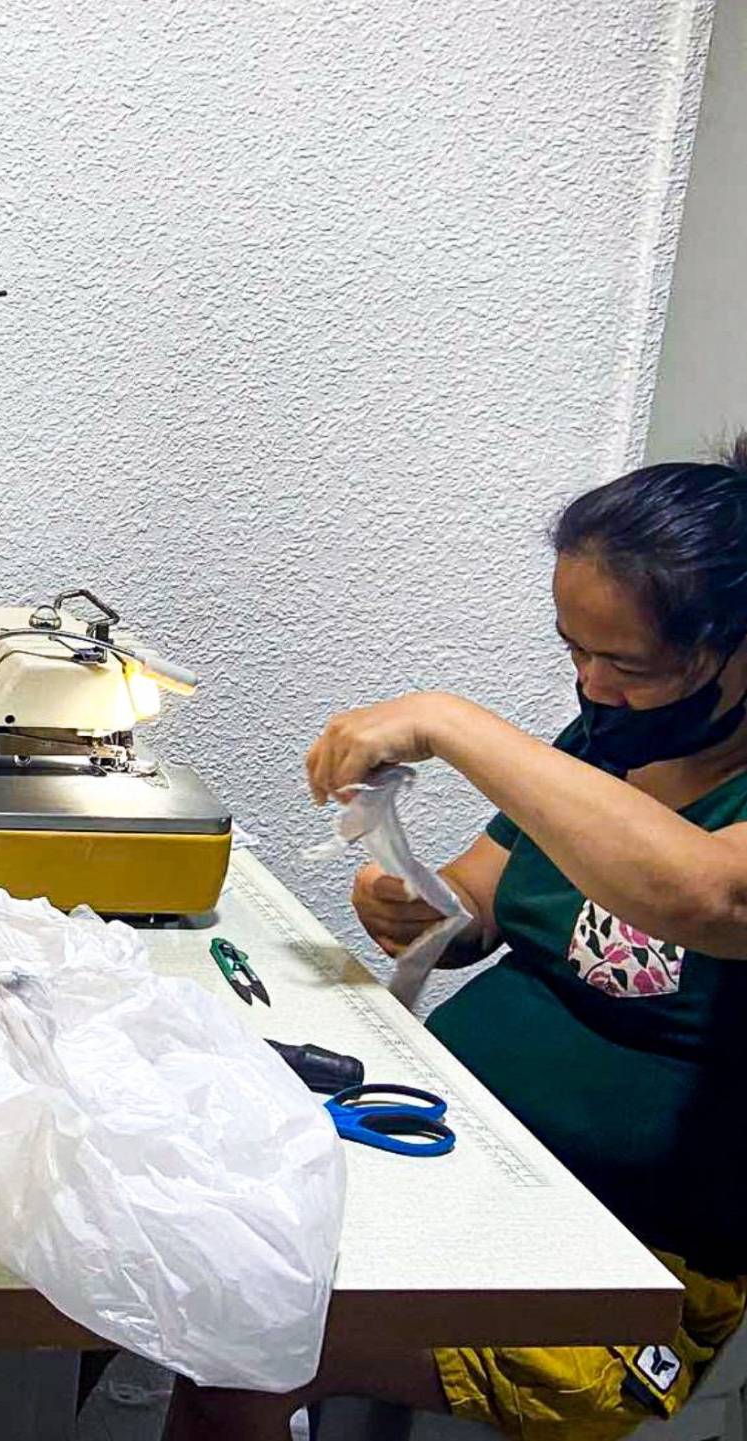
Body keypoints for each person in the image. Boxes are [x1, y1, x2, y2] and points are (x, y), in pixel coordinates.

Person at [167, 442, 747, 1441]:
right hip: (468, 1174)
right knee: (189, 1231)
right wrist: (419, 901)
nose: (591, 686)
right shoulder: (605, 744)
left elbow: (705, 895)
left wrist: (445, 721)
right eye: (574, 649)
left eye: (629, 664)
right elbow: (483, 898)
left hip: (635, 1272)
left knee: (247, 1345)